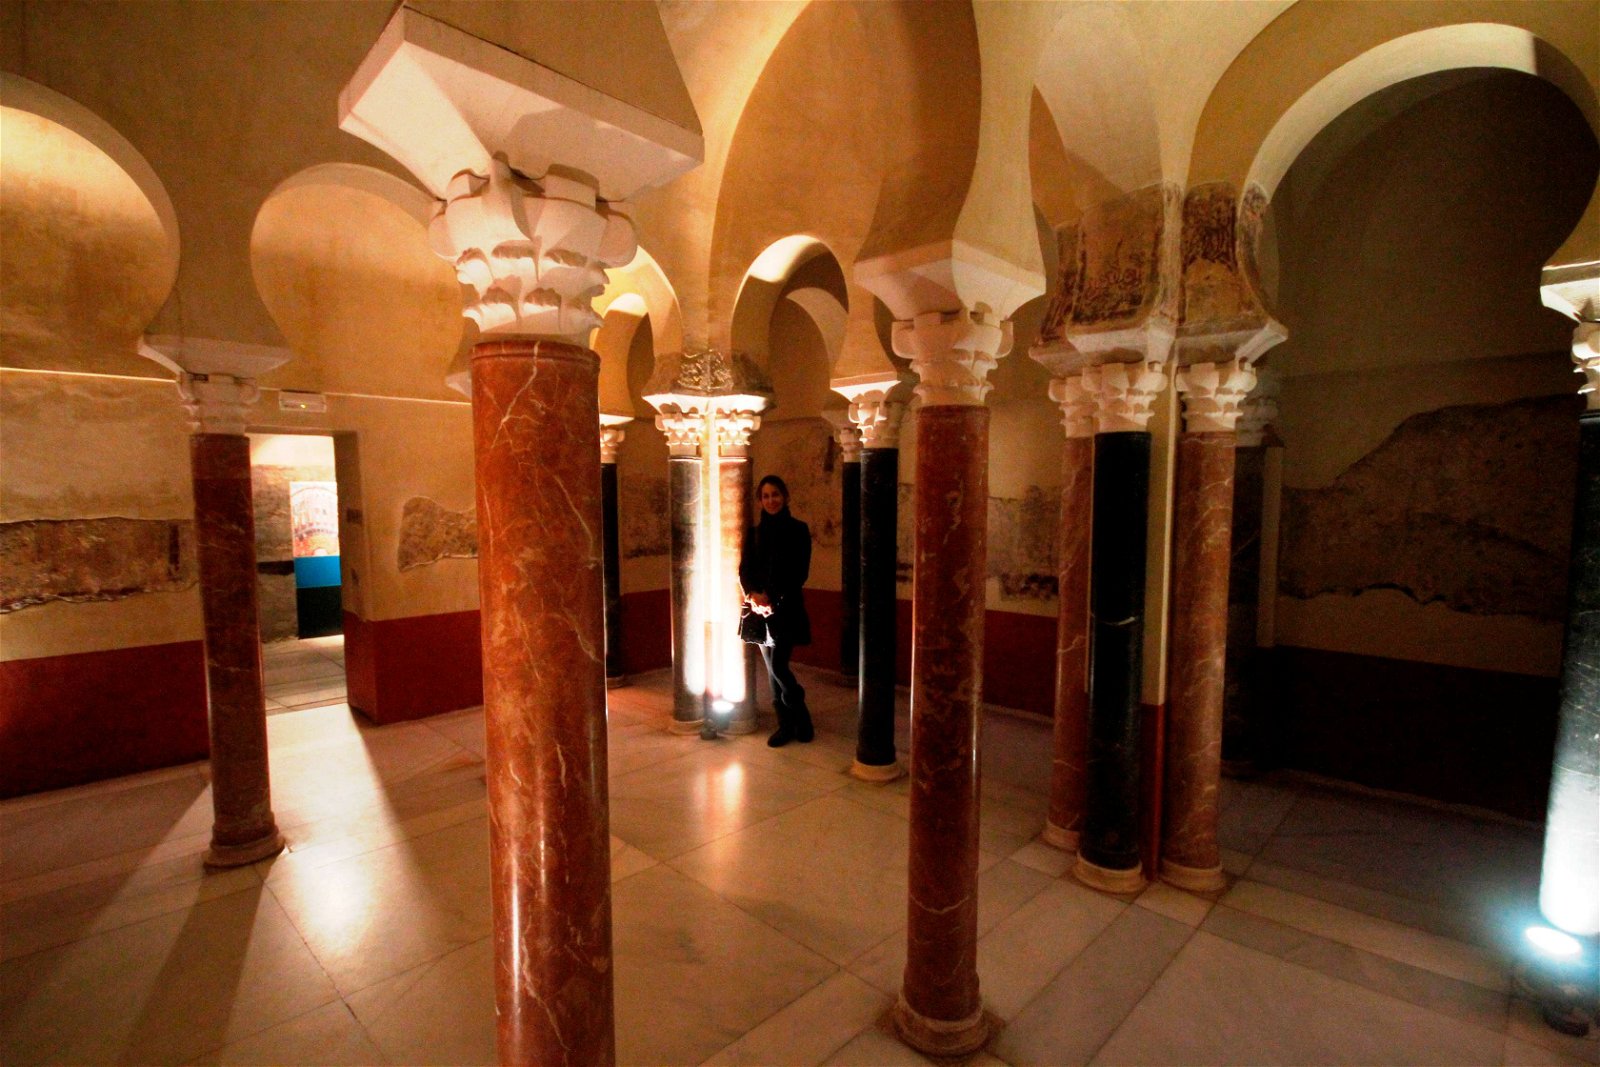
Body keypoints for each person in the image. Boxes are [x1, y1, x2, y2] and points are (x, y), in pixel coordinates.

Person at [739, 474, 814, 747]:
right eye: (766, 496)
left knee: (779, 664)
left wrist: (773, 597)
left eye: (776, 494)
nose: (771, 500)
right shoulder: (755, 534)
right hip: (759, 610)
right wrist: (754, 594)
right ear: (761, 500)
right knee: (771, 669)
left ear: (785, 497)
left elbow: (800, 572)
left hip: (786, 608)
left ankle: (801, 715)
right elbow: (745, 569)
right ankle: (786, 724)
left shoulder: (798, 530)